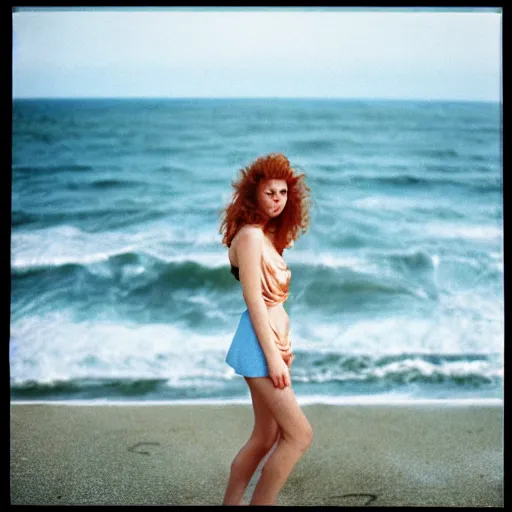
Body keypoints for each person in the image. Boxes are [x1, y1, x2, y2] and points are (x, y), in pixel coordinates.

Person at [219, 153, 313, 505]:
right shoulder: (249, 237)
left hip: (270, 345)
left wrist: (281, 350)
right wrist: (274, 359)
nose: (277, 198)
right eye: (270, 192)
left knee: (264, 437)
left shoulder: (267, 235)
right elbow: (255, 302)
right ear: (253, 195)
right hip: (260, 347)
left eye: (283, 192)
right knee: (300, 435)